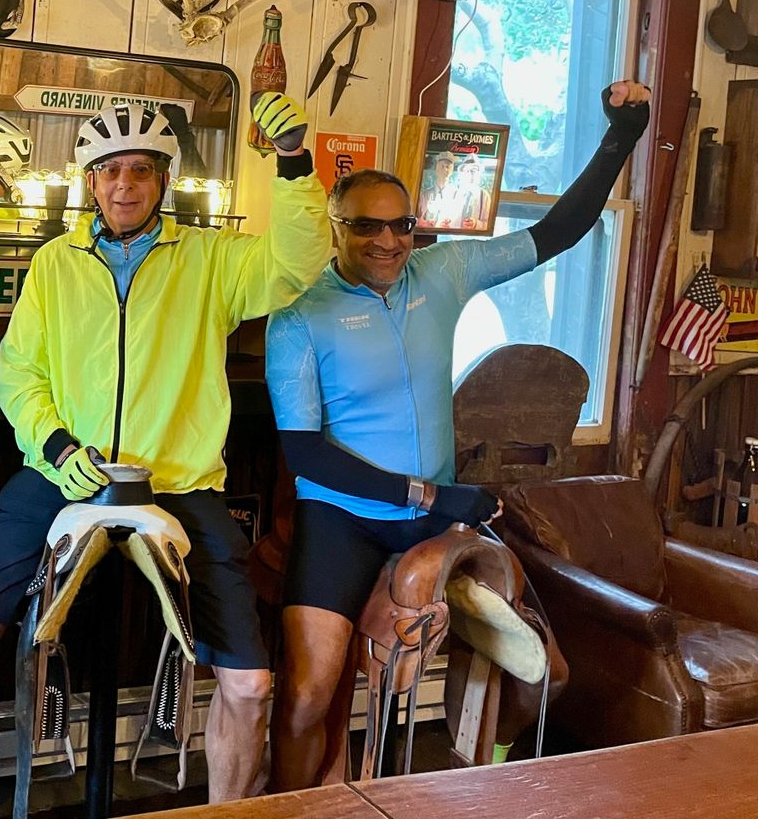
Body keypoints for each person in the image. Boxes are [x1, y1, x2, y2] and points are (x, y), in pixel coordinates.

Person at [0, 95, 330, 816]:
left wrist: (294, 163)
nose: (124, 185)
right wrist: (54, 445)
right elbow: (19, 374)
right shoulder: (55, 264)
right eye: (110, 171)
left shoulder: (210, 258)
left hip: (177, 483)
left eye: (141, 170)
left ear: (164, 180)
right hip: (63, 476)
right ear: (90, 181)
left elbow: (296, 262)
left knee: (250, 685)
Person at [265, 81, 652, 791]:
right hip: (343, 519)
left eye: (401, 225)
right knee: (308, 693)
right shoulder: (299, 318)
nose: (388, 241)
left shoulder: (442, 272)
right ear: (335, 227)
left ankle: (479, 786)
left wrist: (620, 137)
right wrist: (433, 495)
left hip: (437, 515)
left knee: (539, 669)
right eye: (367, 227)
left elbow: (558, 232)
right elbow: (305, 453)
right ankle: (286, 808)